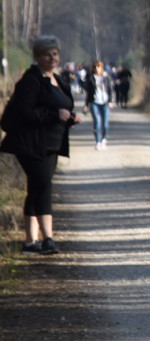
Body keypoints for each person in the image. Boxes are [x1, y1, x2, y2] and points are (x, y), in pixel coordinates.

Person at [0, 35, 84, 254]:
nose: (52, 57)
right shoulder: (31, 80)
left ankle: (29, 242)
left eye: (55, 53)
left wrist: (68, 119)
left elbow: (58, 110)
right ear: (37, 57)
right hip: (30, 144)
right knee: (44, 187)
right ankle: (48, 239)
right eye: (47, 54)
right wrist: (54, 114)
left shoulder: (58, 80)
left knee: (36, 188)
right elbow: (24, 112)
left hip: (51, 144)